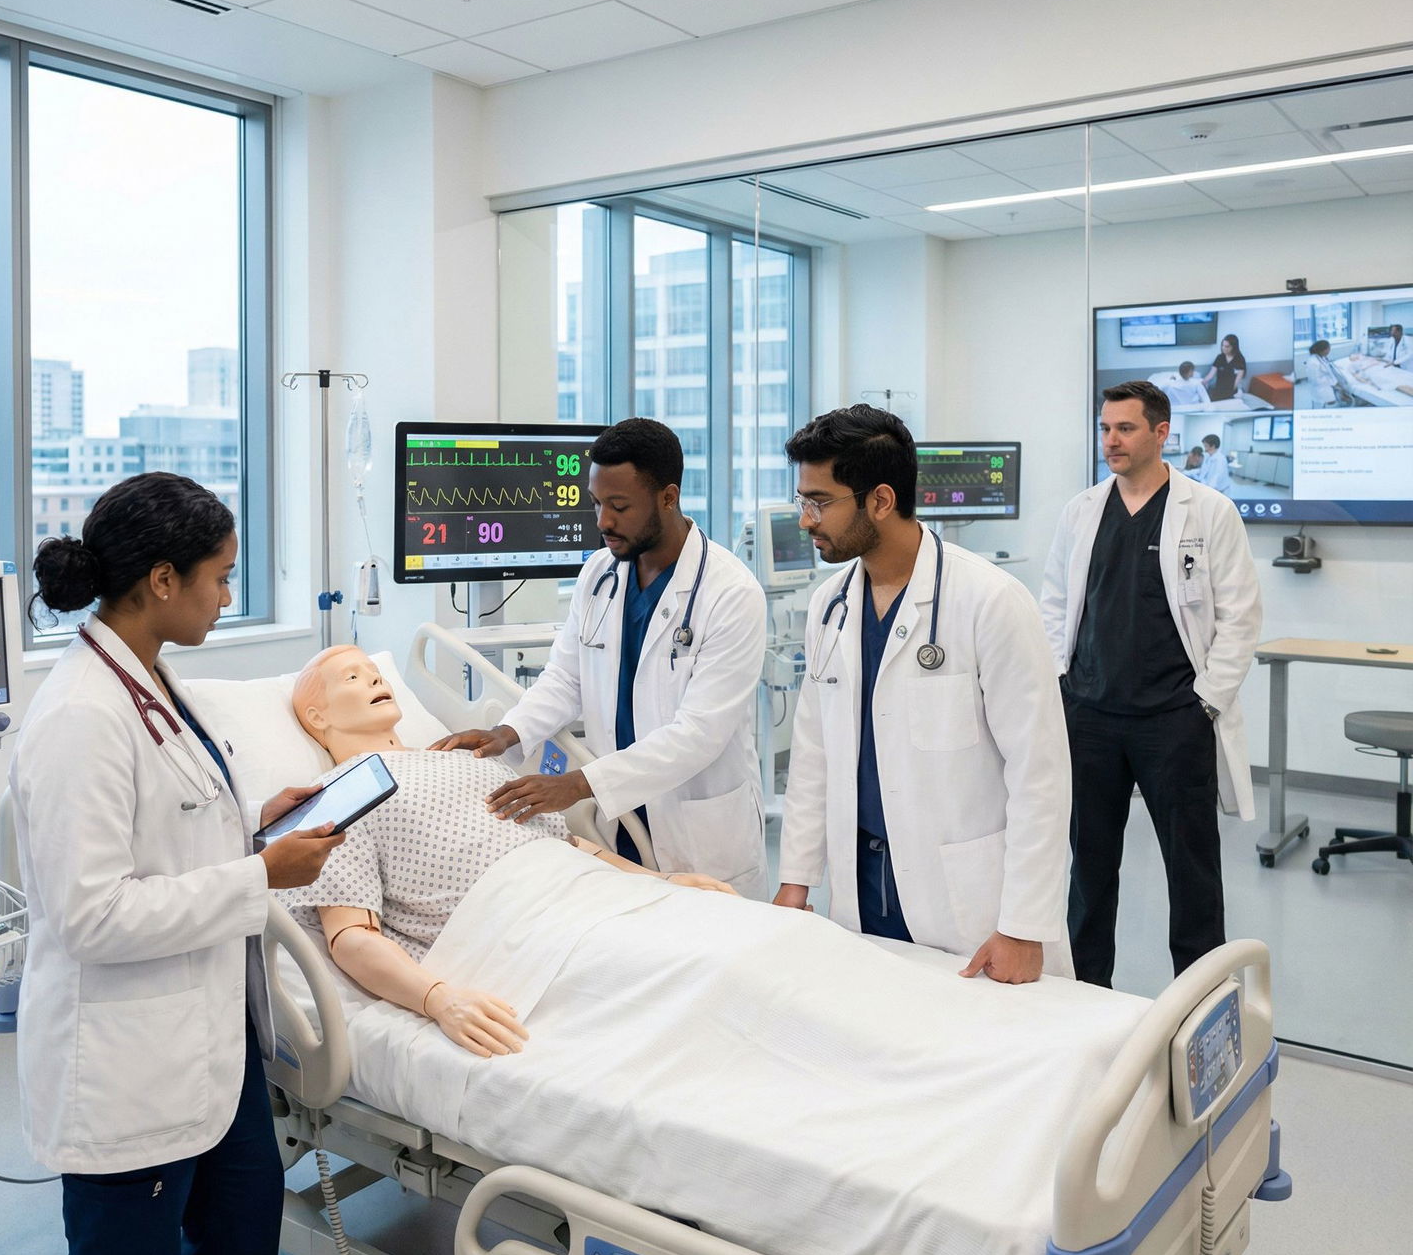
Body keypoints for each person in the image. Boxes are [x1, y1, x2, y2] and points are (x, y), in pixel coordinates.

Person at [10, 473, 341, 1255]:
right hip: (128, 1061)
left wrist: (257, 819)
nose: (227, 597)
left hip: (211, 1038)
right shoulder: (80, 717)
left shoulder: (150, 678)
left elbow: (174, 823)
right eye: (220, 578)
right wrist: (260, 874)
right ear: (161, 579)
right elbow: (90, 912)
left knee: (240, 1244)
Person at [281, 646, 734, 1056]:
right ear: (318, 717)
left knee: (721, 944)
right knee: (702, 977)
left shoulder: (462, 756)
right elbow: (351, 937)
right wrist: (439, 999)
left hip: (592, 894)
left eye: (374, 670)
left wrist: (663, 882)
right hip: (522, 927)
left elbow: (568, 843)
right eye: (353, 678)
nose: (376, 679)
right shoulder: (338, 797)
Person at [774, 405, 1073, 982]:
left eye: (820, 502)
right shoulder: (829, 606)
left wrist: (1023, 924)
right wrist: (795, 880)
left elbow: (1041, 773)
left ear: (880, 501)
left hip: (969, 907)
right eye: (802, 500)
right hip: (861, 890)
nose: (806, 520)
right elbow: (813, 756)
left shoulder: (991, 602)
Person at [432, 418, 769, 897]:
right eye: (596, 503)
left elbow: (699, 735)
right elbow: (566, 679)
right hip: (620, 821)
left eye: (619, 506)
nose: (602, 522)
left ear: (668, 498)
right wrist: (507, 731)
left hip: (698, 830)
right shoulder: (599, 574)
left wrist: (578, 784)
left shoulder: (731, 594)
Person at [1041, 382, 1262, 989]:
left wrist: (1206, 702)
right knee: (1088, 868)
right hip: (1089, 715)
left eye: (1125, 429)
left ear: (1161, 432)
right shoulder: (1083, 510)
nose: (1111, 440)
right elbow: (1056, 603)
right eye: (1105, 428)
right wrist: (1061, 682)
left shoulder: (1208, 510)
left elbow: (1240, 617)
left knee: (1191, 870)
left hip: (1174, 719)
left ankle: (1199, 1003)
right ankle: (1085, 996)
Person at [1300, 339, 1360, 407]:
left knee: (1340, 383)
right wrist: (1334, 384)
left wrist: (1335, 382)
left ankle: (1342, 396)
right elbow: (1316, 380)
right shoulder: (1313, 363)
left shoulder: (1321, 357)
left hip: (1325, 380)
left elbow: (1327, 369)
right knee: (1333, 400)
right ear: (1323, 350)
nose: (1329, 351)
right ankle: (1340, 397)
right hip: (1320, 387)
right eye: (1329, 349)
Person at [1202, 334, 1247, 400]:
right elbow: (1211, 375)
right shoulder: (1220, 357)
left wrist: (1228, 393)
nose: (1223, 348)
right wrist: (1202, 382)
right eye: (1222, 345)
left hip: (1232, 391)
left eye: (1227, 346)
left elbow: (1237, 381)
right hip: (1218, 390)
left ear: (1233, 347)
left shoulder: (1240, 360)